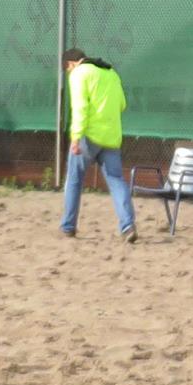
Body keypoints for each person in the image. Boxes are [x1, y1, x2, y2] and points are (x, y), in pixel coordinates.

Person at [59, 47, 136, 243]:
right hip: (111, 137)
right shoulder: (111, 73)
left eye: (67, 69)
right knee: (116, 180)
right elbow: (122, 104)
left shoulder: (79, 74)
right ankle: (128, 226)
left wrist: (75, 137)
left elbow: (80, 107)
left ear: (71, 64)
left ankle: (68, 226)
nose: (68, 73)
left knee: (74, 179)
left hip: (89, 137)